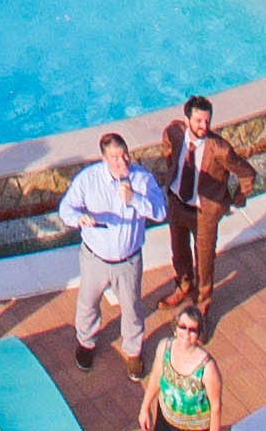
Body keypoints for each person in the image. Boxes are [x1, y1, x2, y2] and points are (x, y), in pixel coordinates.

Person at [59, 131, 166, 372]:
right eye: (115, 158)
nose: (123, 161)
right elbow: (65, 209)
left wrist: (135, 199)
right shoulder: (88, 180)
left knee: (132, 308)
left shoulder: (142, 179)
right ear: (104, 159)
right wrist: (78, 218)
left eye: (125, 155)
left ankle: (133, 351)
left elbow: (160, 212)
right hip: (94, 259)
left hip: (128, 261)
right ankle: (86, 342)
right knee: (88, 303)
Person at [154, 96, 257, 322]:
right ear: (187, 119)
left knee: (204, 259)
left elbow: (247, 174)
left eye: (207, 121)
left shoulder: (219, 149)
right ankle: (184, 286)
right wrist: (172, 167)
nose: (204, 126)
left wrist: (236, 198)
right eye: (199, 121)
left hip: (204, 213)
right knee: (179, 251)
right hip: (177, 203)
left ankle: (203, 302)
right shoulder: (175, 132)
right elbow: (167, 140)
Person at [144, 309, 223, 431]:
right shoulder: (164, 347)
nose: (186, 333)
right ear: (175, 328)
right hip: (165, 420)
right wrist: (145, 407)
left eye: (192, 330)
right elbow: (156, 377)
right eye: (182, 327)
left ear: (199, 334)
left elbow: (216, 407)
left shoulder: (208, 368)